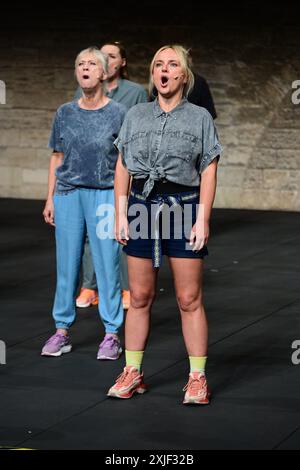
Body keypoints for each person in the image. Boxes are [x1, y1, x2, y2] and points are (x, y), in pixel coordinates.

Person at [107, 44, 222, 405]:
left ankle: (197, 377)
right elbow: (123, 165)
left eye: (173, 65)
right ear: (153, 74)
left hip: (184, 208)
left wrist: (203, 218)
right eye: (159, 64)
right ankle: (133, 371)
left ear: (184, 75)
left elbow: (209, 167)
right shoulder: (136, 114)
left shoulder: (200, 116)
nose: (165, 70)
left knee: (188, 298)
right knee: (139, 297)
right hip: (142, 208)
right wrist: (120, 212)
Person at [41, 47, 126, 360]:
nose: (85, 68)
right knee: (67, 265)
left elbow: (124, 163)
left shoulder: (118, 112)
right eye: (80, 64)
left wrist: (121, 204)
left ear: (104, 73)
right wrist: (50, 197)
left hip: (104, 194)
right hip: (68, 194)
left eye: (92, 64)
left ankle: (112, 334)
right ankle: (62, 330)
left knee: (107, 264)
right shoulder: (65, 112)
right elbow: (57, 156)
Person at [75, 41, 148, 311]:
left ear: (121, 63)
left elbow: (140, 130)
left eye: (112, 56)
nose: (106, 60)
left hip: (122, 169)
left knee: (120, 229)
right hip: (92, 170)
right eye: (101, 56)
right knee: (89, 231)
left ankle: (125, 288)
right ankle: (89, 286)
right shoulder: (86, 89)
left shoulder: (135, 93)